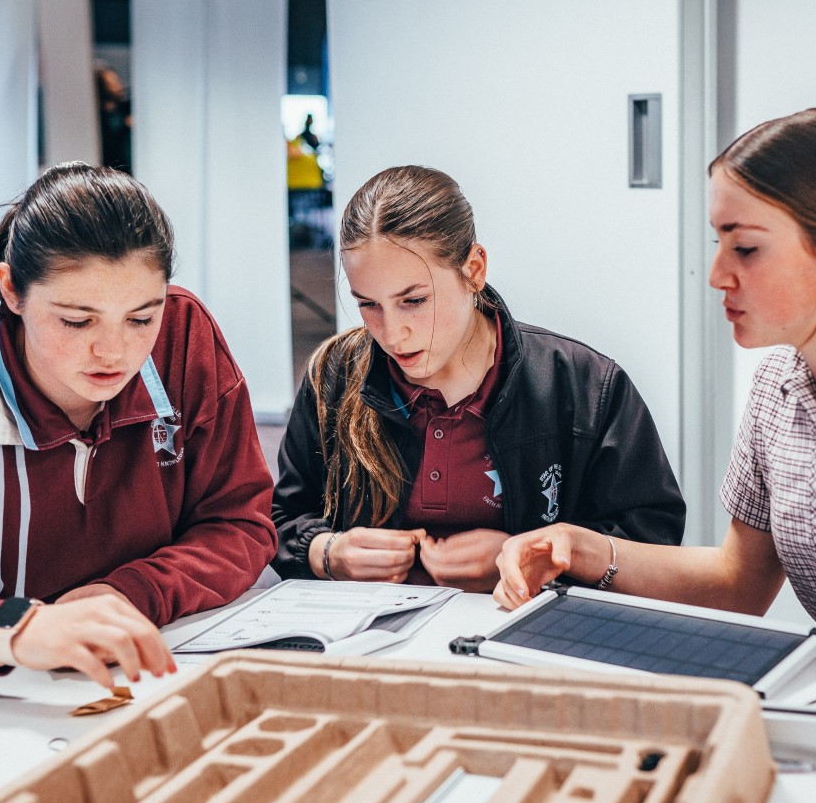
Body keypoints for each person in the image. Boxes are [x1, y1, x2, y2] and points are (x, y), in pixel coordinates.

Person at [495, 108, 816, 739]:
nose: (717, 275)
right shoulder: (777, 388)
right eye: (718, 243)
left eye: (745, 247)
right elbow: (739, 584)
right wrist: (584, 548)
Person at [272, 165, 684, 592]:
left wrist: (534, 562)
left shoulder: (585, 385)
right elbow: (278, 520)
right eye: (368, 304)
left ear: (474, 269)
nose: (392, 334)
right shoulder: (333, 375)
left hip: (526, 641)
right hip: (371, 643)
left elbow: (650, 541)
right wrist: (326, 553)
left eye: (414, 300)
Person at [0, 162, 276, 683]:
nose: (114, 352)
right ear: (11, 290)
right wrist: (17, 628)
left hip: (149, 672)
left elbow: (240, 523)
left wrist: (128, 593)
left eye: (142, 318)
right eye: (76, 320)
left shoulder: (184, 337)